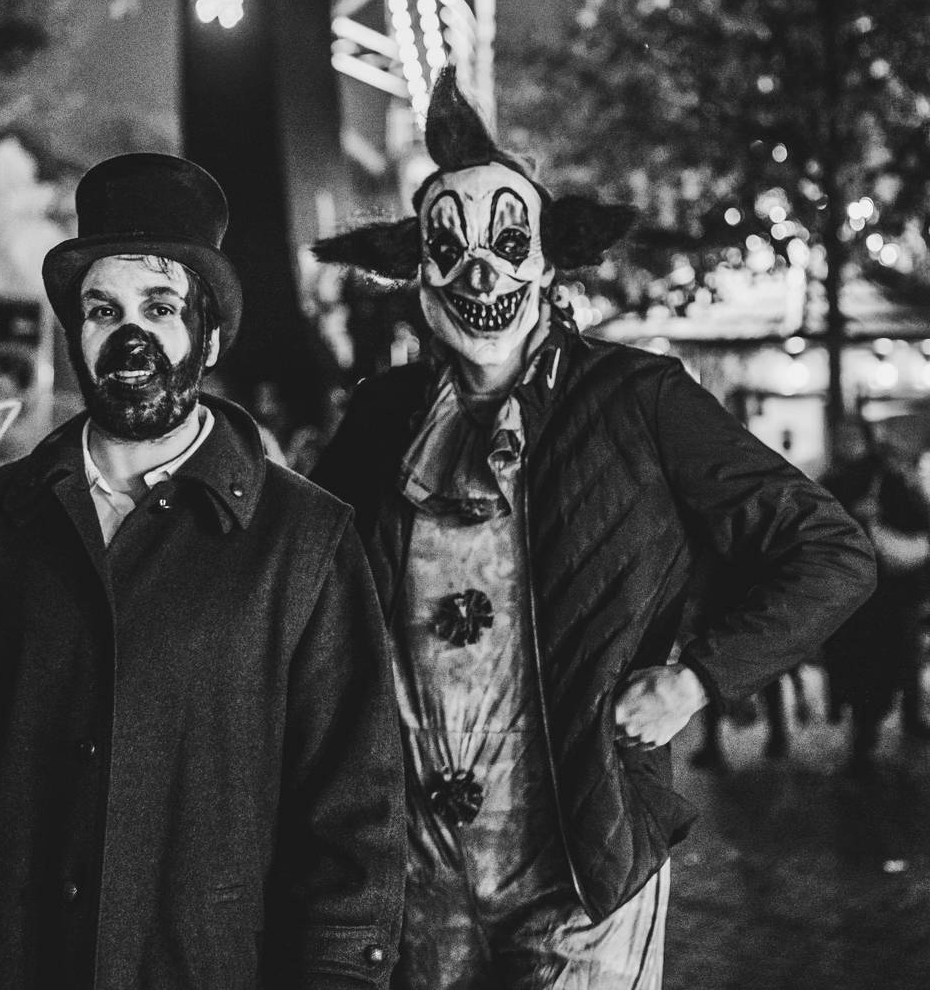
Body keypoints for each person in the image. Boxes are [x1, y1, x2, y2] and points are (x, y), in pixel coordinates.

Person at [311, 69, 875, 990]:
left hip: (580, 868)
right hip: (416, 874)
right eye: (448, 249)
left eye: (508, 243)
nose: (480, 274)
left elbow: (829, 549)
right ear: (415, 267)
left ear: (549, 259)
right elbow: (306, 588)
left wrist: (696, 678)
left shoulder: (636, 398)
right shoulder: (382, 420)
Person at [0, 153, 406, 988]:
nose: (129, 334)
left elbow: (352, 819)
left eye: (159, 306)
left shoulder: (304, 542)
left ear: (210, 336)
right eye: (101, 309)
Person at [820, 415, 930, 775]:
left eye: (852, 435)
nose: (846, 442)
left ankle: (874, 734)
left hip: (885, 592)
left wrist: (880, 514)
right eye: (841, 435)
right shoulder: (830, 480)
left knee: (886, 662)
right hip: (854, 594)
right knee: (863, 667)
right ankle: (864, 737)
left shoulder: (887, 476)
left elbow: (920, 521)